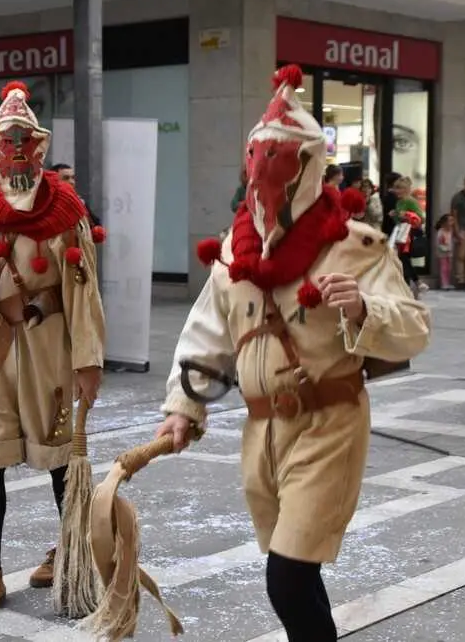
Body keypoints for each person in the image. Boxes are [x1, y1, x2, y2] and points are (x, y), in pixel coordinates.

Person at [159, 64, 431, 642]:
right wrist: (185, 407)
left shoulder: (356, 246)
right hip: (262, 434)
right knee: (296, 573)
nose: (265, 180)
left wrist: (362, 308)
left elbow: (413, 330)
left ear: (309, 165)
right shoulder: (236, 250)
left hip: (328, 426)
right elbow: (209, 331)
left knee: (286, 577)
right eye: (259, 163)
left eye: (280, 163)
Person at [0, 80, 106, 620]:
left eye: (23, 139)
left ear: (38, 144)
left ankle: (69, 553)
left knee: (60, 459)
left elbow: (83, 292)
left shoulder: (66, 211)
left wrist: (88, 362)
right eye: (5, 138)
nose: (14, 149)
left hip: (47, 349)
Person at [51, 162, 101, 227]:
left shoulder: (81, 202)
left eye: (73, 178)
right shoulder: (48, 205)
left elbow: (96, 225)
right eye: (66, 178)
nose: (72, 182)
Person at [435, 214, 454, 290]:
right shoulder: (441, 231)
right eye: (450, 221)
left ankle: (448, 282)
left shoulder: (451, 231)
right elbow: (440, 242)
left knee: (449, 268)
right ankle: (444, 283)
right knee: (444, 267)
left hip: (449, 251)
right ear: (445, 222)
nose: (452, 222)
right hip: (442, 251)